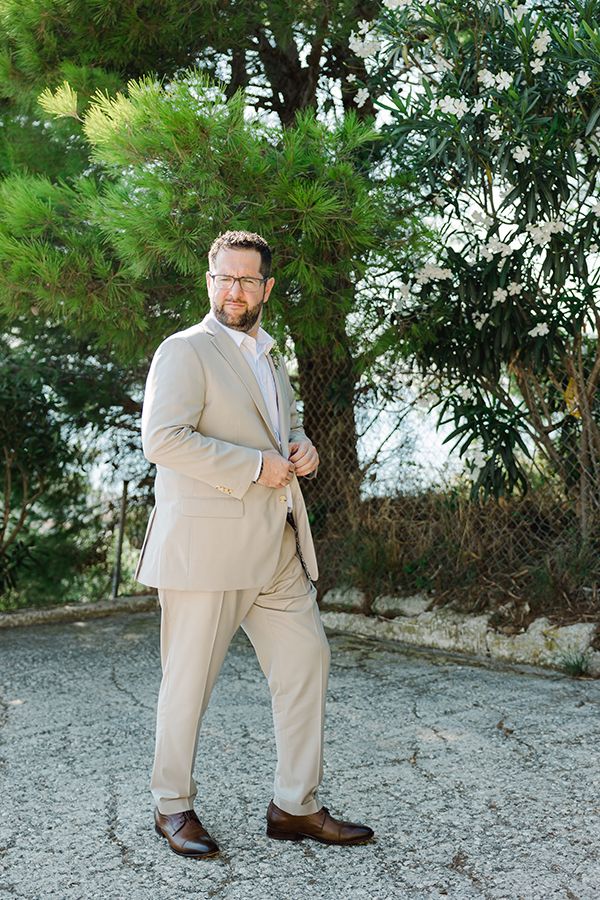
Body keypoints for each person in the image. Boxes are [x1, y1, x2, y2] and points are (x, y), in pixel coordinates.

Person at [136, 229, 373, 858]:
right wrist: (252, 465)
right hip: (207, 552)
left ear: (266, 287)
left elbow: (280, 428)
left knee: (307, 662)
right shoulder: (184, 350)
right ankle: (172, 807)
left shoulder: (270, 352)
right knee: (188, 683)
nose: (233, 290)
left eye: (246, 279)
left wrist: (302, 446)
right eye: (223, 278)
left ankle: (295, 806)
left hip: (277, 546)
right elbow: (162, 439)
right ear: (208, 281)